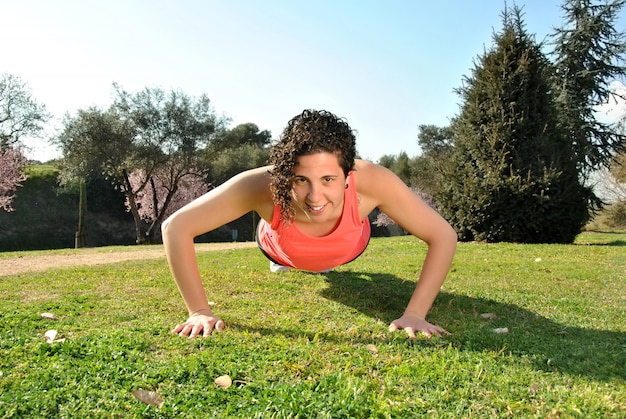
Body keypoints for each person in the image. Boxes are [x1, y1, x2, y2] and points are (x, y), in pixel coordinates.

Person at [162, 109, 457, 339]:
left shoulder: (374, 182)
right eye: (301, 180)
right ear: (283, 176)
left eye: (328, 179)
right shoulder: (259, 185)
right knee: (284, 244)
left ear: (348, 176)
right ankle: (289, 259)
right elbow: (175, 227)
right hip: (278, 249)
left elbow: (443, 235)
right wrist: (198, 311)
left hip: (349, 246)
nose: (315, 196)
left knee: (330, 264)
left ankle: (323, 262)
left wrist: (416, 314)